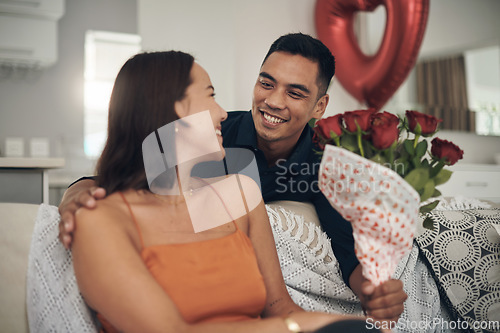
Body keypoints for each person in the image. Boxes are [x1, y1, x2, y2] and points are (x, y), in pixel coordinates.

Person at [60, 33, 406, 324]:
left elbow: (349, 254)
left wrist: (375, 293)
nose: (272, 101)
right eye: (266, 83)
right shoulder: (209, 136)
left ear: (319, 106)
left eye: (295, 93)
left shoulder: (325, 166)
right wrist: (80, 192)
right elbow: (129, 172)